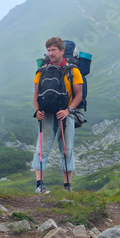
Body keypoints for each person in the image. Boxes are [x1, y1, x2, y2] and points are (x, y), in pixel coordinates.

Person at [32, 37, 84, 193]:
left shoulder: (73, 71)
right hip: (46, 114)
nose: (50, 53)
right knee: (41, 149)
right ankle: (39, 185)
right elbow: (35, 95)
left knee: (67, 149)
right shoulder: (42, 70)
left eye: (53, 50)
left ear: (62, 51)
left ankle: (67, 186)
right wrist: (37, 111)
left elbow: (78, 95)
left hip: (65, 114)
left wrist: (68, 110)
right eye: (48, 50)